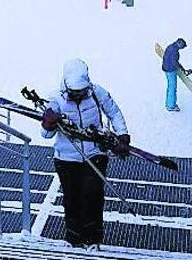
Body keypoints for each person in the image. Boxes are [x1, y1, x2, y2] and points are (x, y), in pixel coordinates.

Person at [41, 59, 129, 250]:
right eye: (74, 91)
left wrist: (122, 135)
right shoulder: (55, 99)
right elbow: (46, 135)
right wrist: (48, 123)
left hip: (95, 153)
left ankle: (93, 239)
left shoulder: (97, 93)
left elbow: (114, 112)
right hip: (66, 158)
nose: (78, 95)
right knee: (71, 197)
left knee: (93, 195)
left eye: (81, 91)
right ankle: (73, 237)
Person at [162, 38, 192, 112]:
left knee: (170, 86)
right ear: (180, 44)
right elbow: (175, 62)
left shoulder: (171, 47)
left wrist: (182, 69)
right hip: (170, 70)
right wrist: (182, 70)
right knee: (172, 87)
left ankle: (168, 103)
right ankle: (171, 106)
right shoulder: (174, 51)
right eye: (182, 47)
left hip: (166, 68)